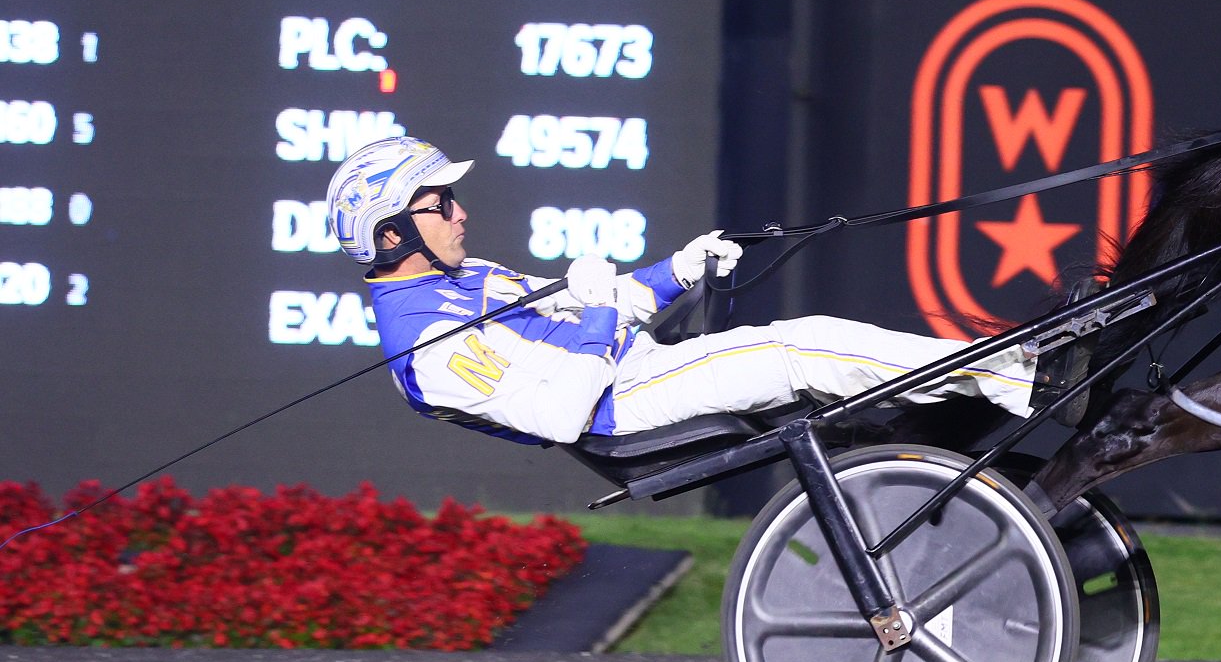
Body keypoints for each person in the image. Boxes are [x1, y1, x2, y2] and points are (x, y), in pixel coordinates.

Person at [326, 136, 1032, 446]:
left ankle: (992, 370)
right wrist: (600, 308)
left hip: (637, 368)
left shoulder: (467, 275)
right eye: (439, 205)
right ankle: (1003, 374)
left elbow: (608, 303)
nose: (460, 213)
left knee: (803, 341)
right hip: (622, 405)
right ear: (393, 236)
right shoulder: (423, 350)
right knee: (802, 345)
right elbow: (562, 411)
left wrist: (680, 267)